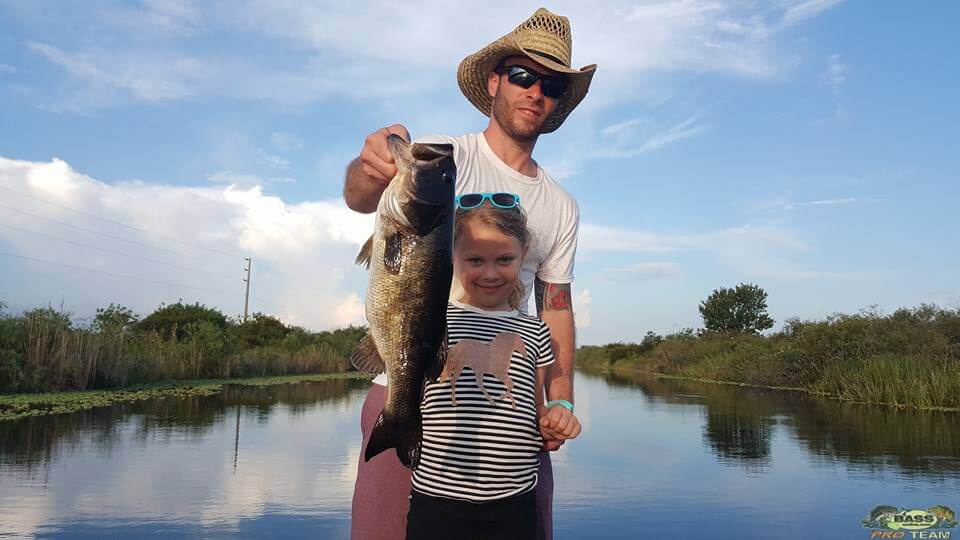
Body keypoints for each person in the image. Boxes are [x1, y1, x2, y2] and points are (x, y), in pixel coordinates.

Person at [345, 8, 596, 540]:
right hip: (407, 387)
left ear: (557, 104)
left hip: (507, 408)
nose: (535, 91)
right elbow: (360, 197)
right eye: (523, 76)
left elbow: (555, 303)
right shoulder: (440, 159)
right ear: (494, 82)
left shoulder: (561, 205)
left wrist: (561, 395)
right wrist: (368, 167)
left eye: (550, 85)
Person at [405, 195, 582, 540]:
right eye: (475, 260)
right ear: (452, 256)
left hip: (514, 503)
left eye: (504, 259)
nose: (490, 273)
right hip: (436, 499)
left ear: (524, 253)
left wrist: (558, 419)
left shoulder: (535, 331)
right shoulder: (432, 320)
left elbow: (536, 408)